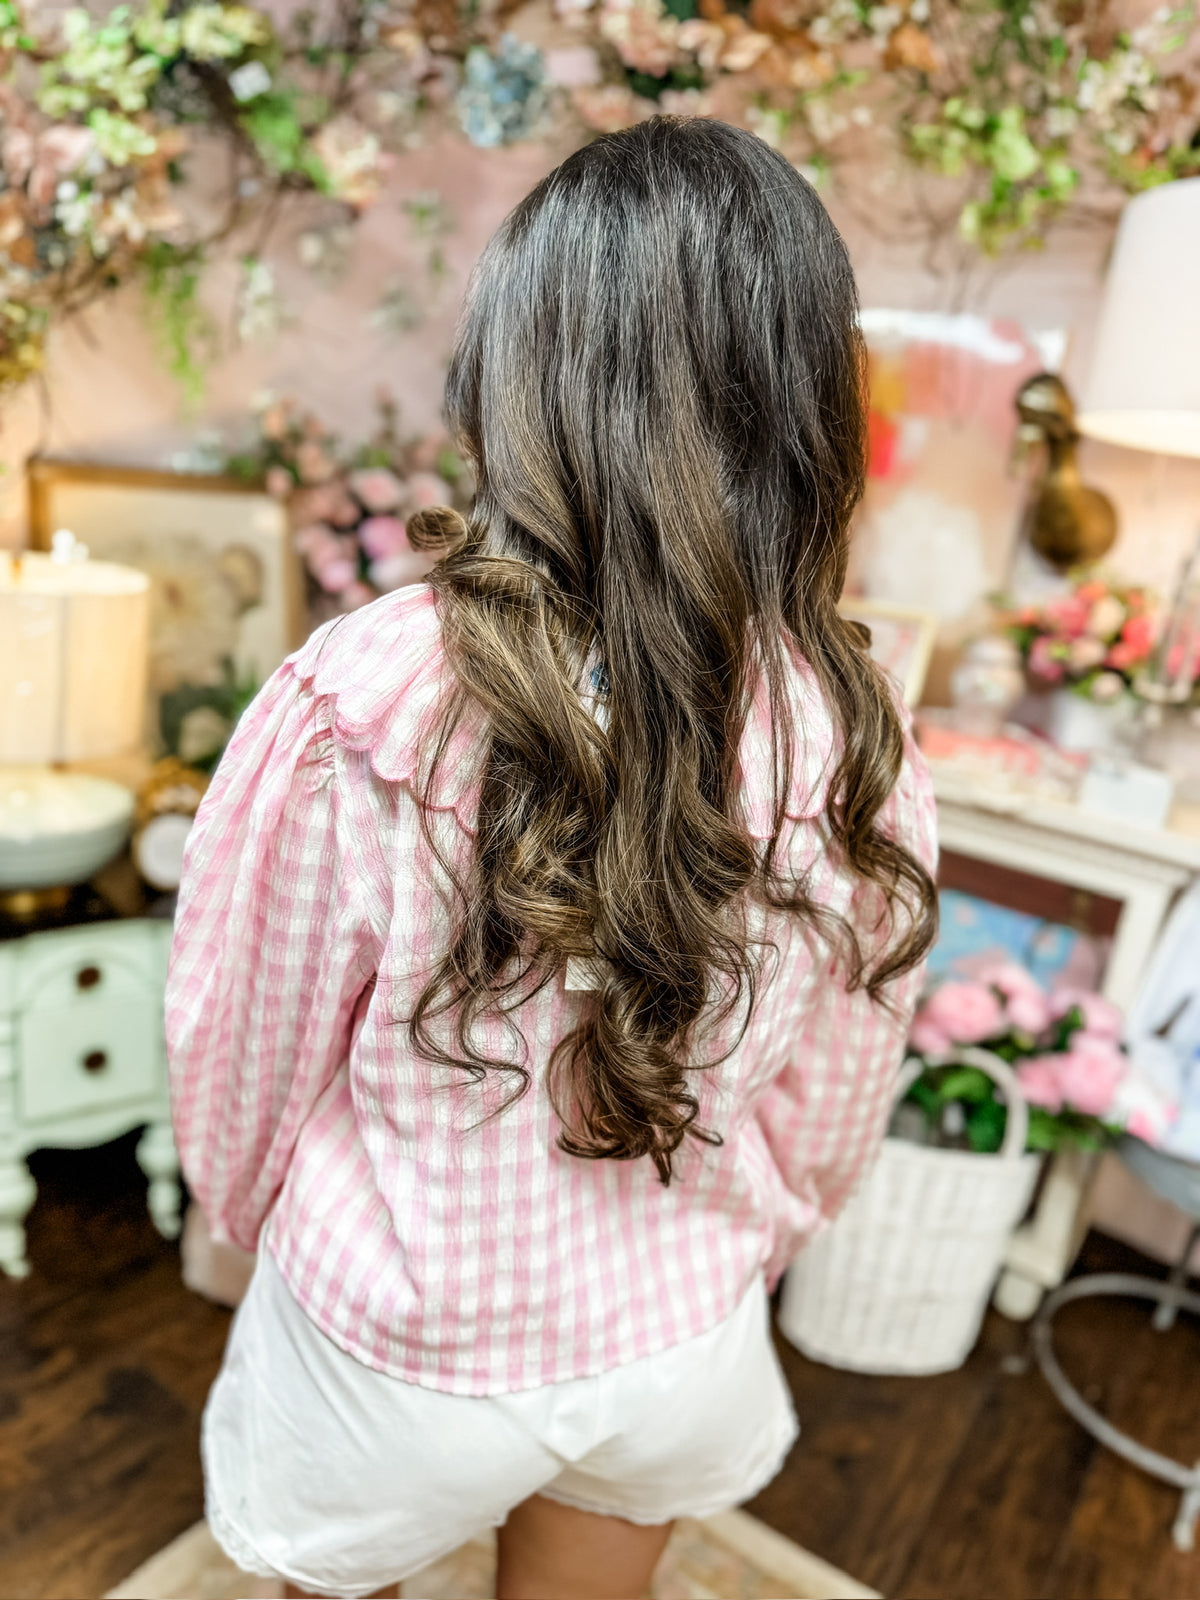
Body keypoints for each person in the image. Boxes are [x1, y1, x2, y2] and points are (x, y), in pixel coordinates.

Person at [166, 115, 938, 1600]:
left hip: (398, 1340)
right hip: (673, 1334)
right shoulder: (849, 715)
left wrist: (258, 1227)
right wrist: (753, 1227)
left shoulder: (370, 692)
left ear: (517, 378)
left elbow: (243, 1046)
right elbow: (844, 1072)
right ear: (801, 404)